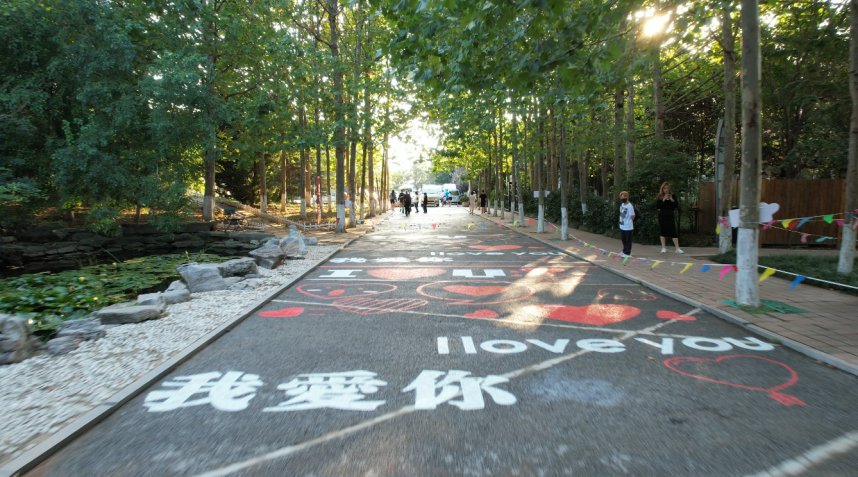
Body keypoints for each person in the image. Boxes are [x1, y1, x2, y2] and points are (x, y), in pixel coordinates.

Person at [656, 182, 684, 254]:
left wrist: (671, 199)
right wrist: (663, 199)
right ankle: (663, 248)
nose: (666, 190)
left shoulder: (673, 195)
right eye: (664, 188)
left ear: (669, 189)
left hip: (670, 215)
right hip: (662, 215)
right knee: (663, 231)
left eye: (667, 188)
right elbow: (658, 207)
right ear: (662, 189)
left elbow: (676, 206)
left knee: (673, 231)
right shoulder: (660, 196)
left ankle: (677, 248)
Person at [618, 190, 635, 257]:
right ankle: (624, 251)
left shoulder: (630, 206)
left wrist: (628, 221)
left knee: (628, 240)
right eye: (621, 197)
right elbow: (621, 214)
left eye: (624, 197)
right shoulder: (622, 205)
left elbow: (633, 216)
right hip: (622, 225)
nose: (622, 198)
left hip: (628, 226)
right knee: (623, 240)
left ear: (627, 197)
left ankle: (627, 253)